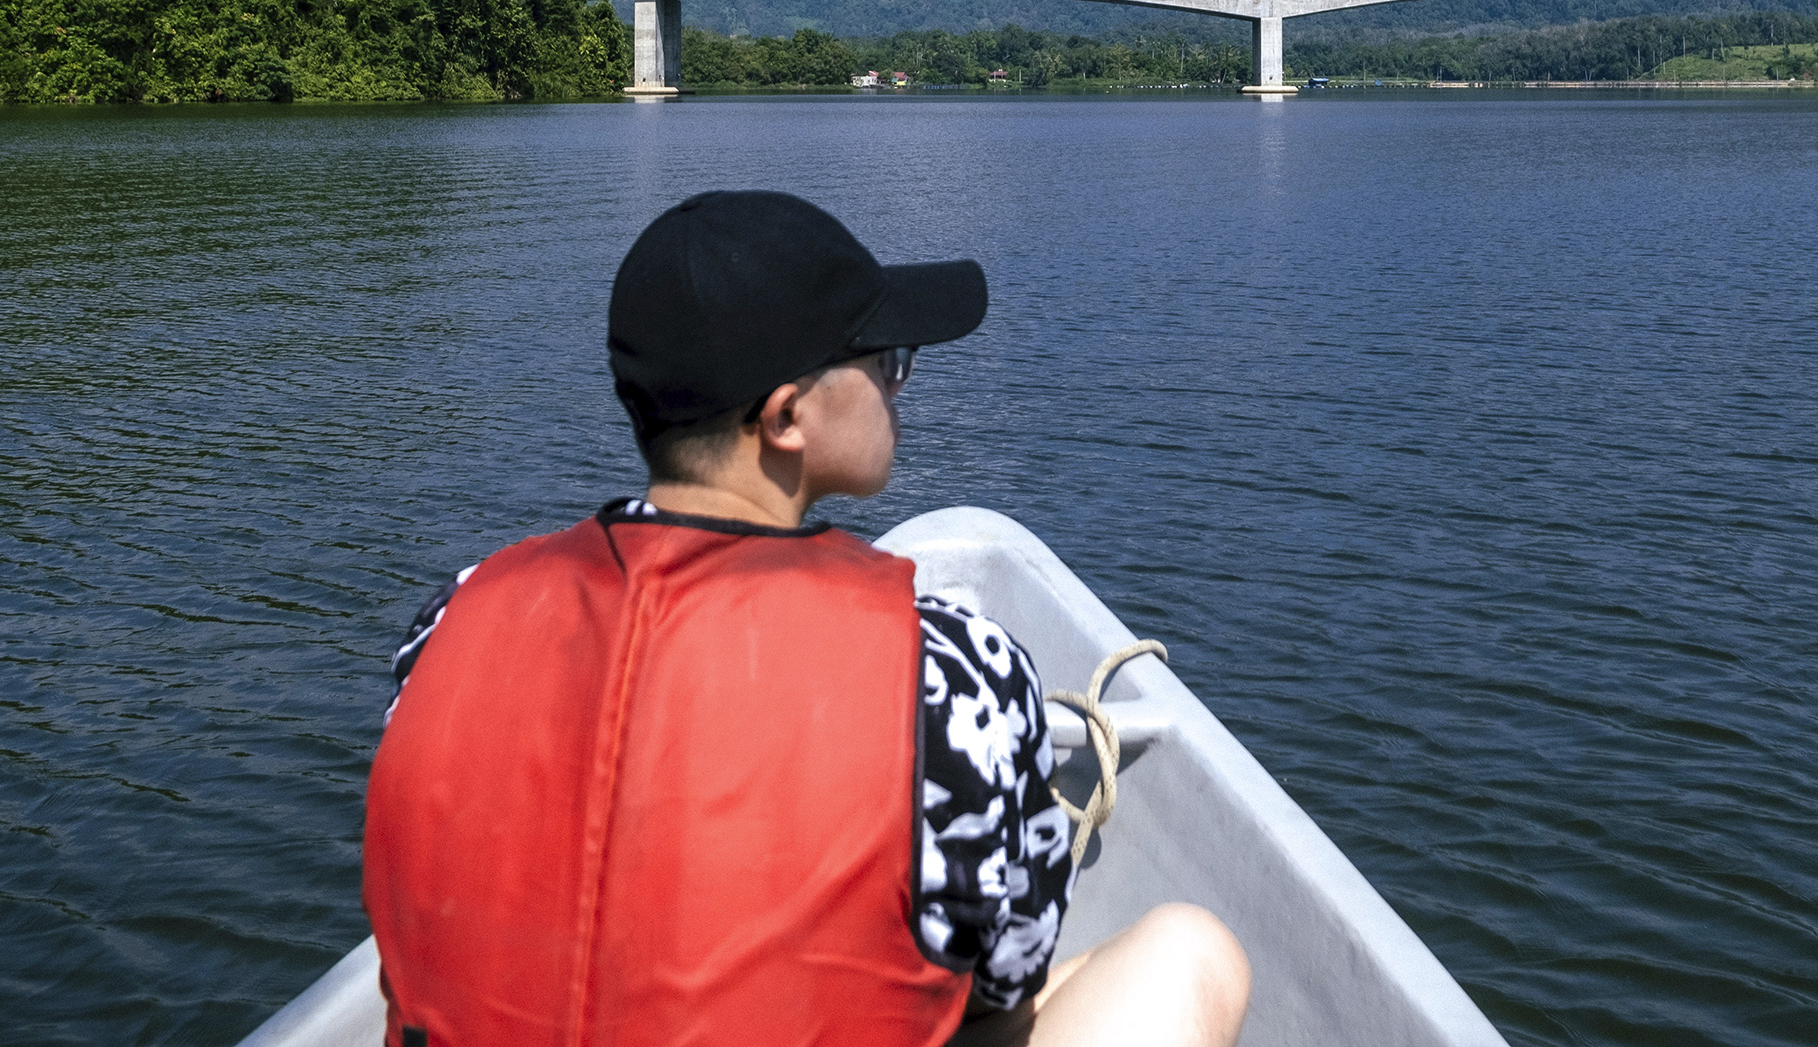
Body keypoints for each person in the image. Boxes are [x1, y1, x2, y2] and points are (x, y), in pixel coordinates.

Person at [362, 189, 1250, 1047]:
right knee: (1189, 956)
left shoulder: (451, 620)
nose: (900, 386)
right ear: (787, 415)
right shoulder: (947, 671)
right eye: (887, 361)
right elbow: (1005, 979)